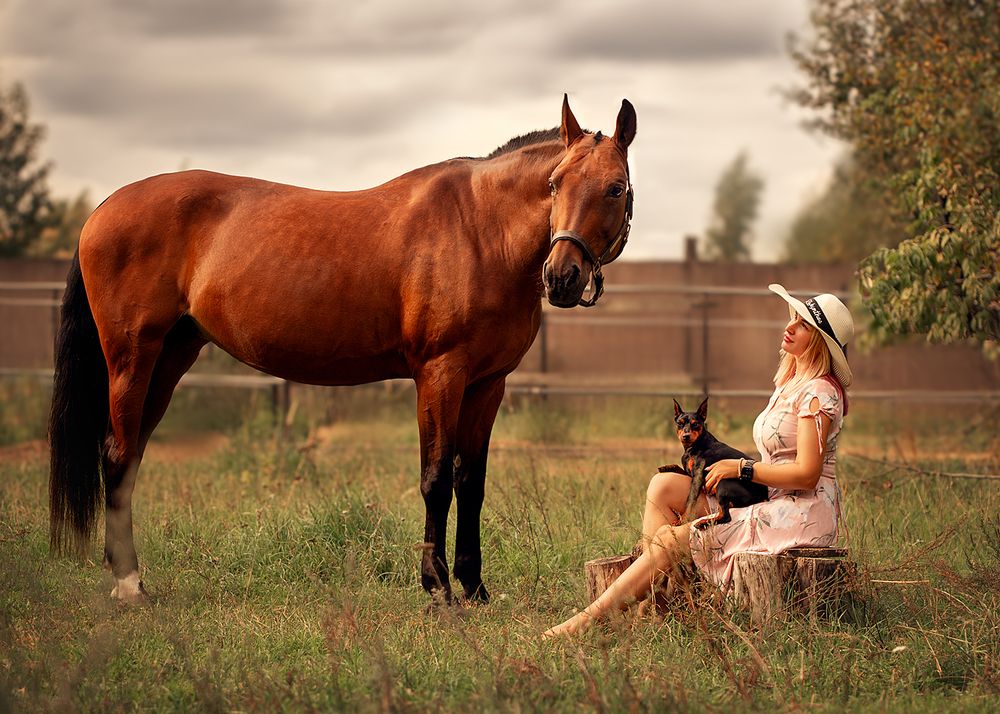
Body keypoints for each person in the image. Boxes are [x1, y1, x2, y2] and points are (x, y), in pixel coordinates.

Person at [543, 284, 854, 638]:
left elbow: (807, 475)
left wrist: (740, 468)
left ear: (819, 341)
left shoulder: (820, 393)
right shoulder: (792, 383)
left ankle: (583, 624)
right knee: (663, 486)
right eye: (793, 319)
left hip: (800, 514)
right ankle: (655, 609)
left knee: (674, 539)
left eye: (802, 325)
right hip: (772, 496)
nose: (790, 326)